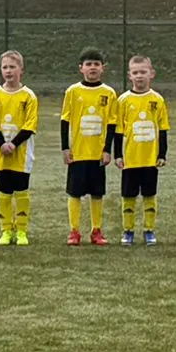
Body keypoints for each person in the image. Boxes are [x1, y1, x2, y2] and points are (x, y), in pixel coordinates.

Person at [61, 47, 117, 245]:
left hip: (97, 154)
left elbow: (111, 123)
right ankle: (74, 231)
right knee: (74, 192)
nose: (92, 68)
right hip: (78, 152)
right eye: (88, 64)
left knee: (97, 193)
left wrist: (107, 150)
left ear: (103, 68)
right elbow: (65, 121)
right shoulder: (73, 91)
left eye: (96, 64)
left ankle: (96, 230)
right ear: (81, 68)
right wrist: (65, 148)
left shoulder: (108, 93)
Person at [0, 50, 40, 246]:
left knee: (21, 191)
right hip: (1, 153)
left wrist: (14, 144)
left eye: (12, 67)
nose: (8, 71)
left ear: (21, 70)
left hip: (22, 153)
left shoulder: (29, 96)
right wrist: (2, 144)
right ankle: (6, 230)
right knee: (4, 192)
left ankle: (22, 231)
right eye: (5, 67)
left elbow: (30, 125)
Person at [115, 56, 168, 246]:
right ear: (129, 75)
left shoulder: (157, 100)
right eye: (135, 72)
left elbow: (162, 130)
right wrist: (118, 155)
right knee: (128, 196)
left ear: (151, 74)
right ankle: (128, 231)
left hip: (150, 159)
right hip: (130, 159)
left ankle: (149, 230)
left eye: (143, 72)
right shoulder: (123, 100)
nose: (139, 76)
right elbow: (118, 131)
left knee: (149, 195)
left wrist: (162, 154)